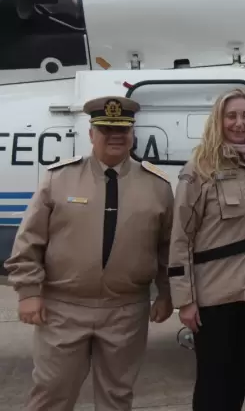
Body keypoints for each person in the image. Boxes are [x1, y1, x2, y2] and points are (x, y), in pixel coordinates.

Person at [4, 95, 174, 411]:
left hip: (126, 310)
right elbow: (29, 242)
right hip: (63, 308)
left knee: (117, 397)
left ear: (132, 134)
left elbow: (167, 249)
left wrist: (166, 293)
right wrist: (28, 292)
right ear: (91, 133)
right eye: (106, 128)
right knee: (52, 393)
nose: (115, 135)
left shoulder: (158, 187)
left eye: (122, 129)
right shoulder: (58, 178)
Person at [168, 87, 245, 411]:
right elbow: (181, 238)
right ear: (218, 120)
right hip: (214, 297)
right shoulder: (200, 168)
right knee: (212, 382)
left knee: (240, 376)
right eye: (231, 115)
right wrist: (185, 301)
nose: (239, 123)